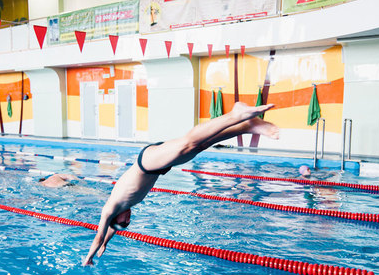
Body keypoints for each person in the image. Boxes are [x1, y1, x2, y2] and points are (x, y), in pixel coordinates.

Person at [83, 101, 280, 266]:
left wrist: (89, 258)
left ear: (117, 218)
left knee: (189, 142)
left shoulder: (110, 208)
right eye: (128, 223)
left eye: (125, 221)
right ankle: (248, 126)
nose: (129, 219)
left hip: (147, 163)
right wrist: (106, 245)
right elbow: (110, 232)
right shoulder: (124, 206)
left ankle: (236, 114)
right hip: (158, 167)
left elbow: (101, 233)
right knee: (201, 145)